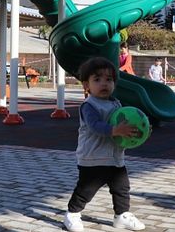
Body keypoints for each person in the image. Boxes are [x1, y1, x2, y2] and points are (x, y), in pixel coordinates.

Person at [63, 57, 146, 232]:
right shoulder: (89, 106)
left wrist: (140, 129)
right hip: (93, 158)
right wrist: (115, 130)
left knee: (122, 188)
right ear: (86, 85)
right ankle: (72, 213)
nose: (104, 84)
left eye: (109, 80)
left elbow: (127, 121)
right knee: (86, 190)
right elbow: (95, 126)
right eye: (97, 79)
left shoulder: (116, 103)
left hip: (115, 157)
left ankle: (122, 215)